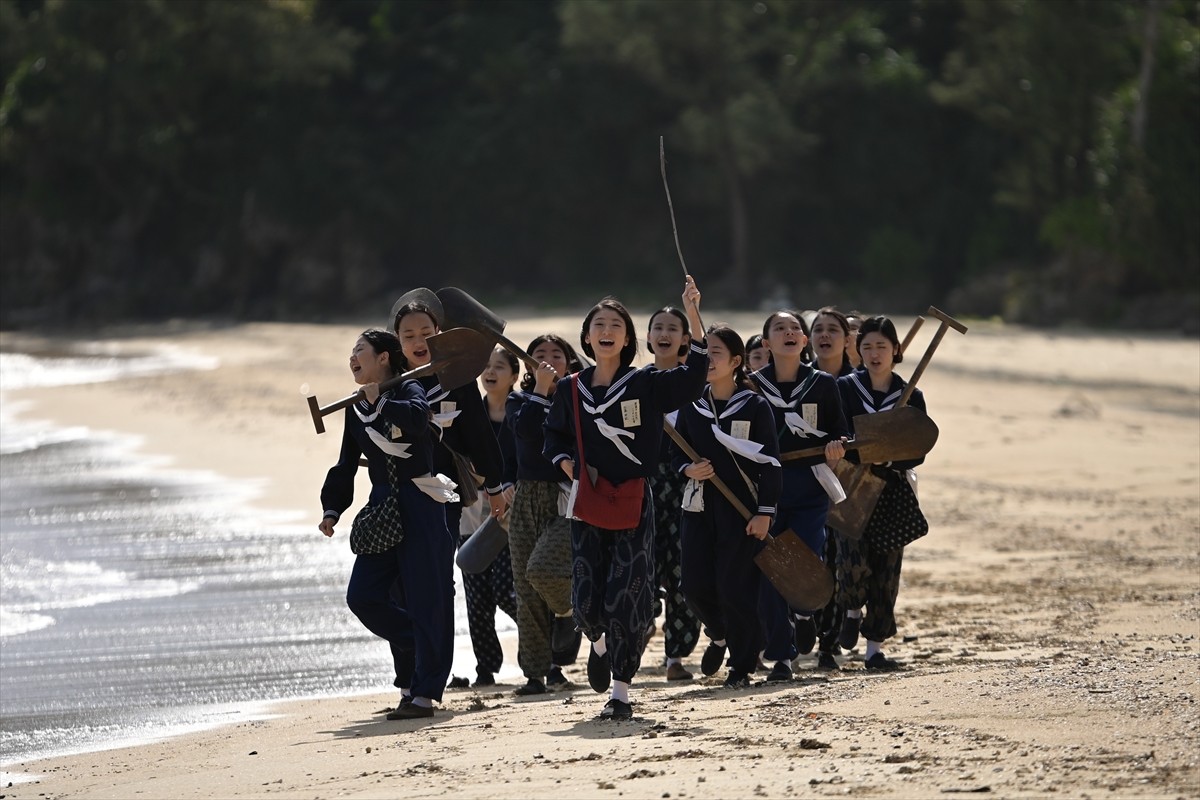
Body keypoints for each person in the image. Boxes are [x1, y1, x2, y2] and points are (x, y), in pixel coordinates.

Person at [543, 277, 706, 720]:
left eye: (616, 323)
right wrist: (565, 463)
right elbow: (553, 436)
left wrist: (693, 312)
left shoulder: (647, 382)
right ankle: (596, 643)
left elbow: (695, 377)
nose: (607, 329)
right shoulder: (570, 389)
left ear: (628, 338)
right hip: (587, 500)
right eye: (599, 323)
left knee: (628, 597)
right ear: (588, 336)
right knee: (586, 599)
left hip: (634, 498)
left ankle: (620, 693)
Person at [318, 329, 455, 720]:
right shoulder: (355, 409)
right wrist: (332, 509)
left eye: (360, 351)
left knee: (428, 597)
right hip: (382, 507)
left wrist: (383, 401)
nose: (352, 358)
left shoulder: (409, 390)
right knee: (363, 596)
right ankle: (419, 640)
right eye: (351, 352)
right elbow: (346, 465)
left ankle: (424, 694)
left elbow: (417, 421)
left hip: (422, 502)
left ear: (384, 359)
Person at [391, 302, 510, 685]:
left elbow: (480, 436)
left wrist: (494, 488)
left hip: (445, 495)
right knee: (399, 587)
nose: (418, 341)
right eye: (408, 335)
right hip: (397, 498)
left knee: (438, 582)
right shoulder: (390, 381)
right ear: (398, 342)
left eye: (426, 332)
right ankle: (409, 673)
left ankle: (430, 677)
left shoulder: (455, 379)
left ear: (439, 333)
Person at [673, 324, 781, 688]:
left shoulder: (755, 406)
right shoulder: (690, 405)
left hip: (741, 507)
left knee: (735, 586)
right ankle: (718, 633)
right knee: (693, 584)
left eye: (716, 353)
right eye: (705, 353)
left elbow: (770, 463)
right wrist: (688, 468)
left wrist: (765, 512)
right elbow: (674, 453)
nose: (709, 360)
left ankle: (741, 664)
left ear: (736, 361)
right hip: (700, 503)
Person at [749, 310, 847, 682]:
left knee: (806, 559)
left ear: (804, 342)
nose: (789, 333)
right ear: (766, 343)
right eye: (779, 329)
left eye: (795, 329)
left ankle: (804, 613)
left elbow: (838, 432)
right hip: (764, 494)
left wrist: (836, 448)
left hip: (809, 489)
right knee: (772, 570)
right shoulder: (751, 386)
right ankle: (781, 657)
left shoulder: (822, 384)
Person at [834, 315, 927, 671]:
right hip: (852, 485)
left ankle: (875, 648)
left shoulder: (910, 395)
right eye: (867, 346)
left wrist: (892, 455)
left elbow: (919, 446)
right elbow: (838, 432)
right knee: (851, 561)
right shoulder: (845, 389)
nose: (874, 354)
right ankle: (852, 610)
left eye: (882, 347)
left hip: (892, 488)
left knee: (887, 570)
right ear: (858, 350)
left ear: (895, 351)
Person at [505, 334, 586, 696]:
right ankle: (539, 673)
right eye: (540, 355)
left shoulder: (580, 398)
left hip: (568, 496)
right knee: (526, 588)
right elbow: (523, 432)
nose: (549, 359)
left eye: (557, 354)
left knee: (544, 570)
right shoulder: (518, 400)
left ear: (570, 362)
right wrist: (539, 389)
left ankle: (570, 615)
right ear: (527, 363)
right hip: (526, 496)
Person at [448, 346, 521, 688]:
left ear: (514, 376)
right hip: (472, 513)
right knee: (477, 598)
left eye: (499, 367)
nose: (490, 372)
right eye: (486, 366)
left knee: (507, 590)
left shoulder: (521, 413)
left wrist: (511, 485)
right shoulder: (468, 413)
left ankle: (545, 647)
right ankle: (486, 669)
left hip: (513, 519)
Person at [645, 306, 702, 681]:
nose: (665, 333)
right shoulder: (633, 383)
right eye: (658, 327)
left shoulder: (695, 385)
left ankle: (676, 658)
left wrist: (693, 309)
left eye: (673, 328)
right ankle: (643, 621)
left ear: (684, 339)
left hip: (686, 486)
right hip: (644, 486)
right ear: (647, 338)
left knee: (684, 572)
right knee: (643, 565)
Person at [807, 306, 855, 670]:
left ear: (847, 338)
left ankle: (828, 642)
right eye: (818, 329)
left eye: (832, 329)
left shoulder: (858, 386)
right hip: (801, 484)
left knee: (838, 562)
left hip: (848, 487)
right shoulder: (797, 380)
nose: (824, 335)